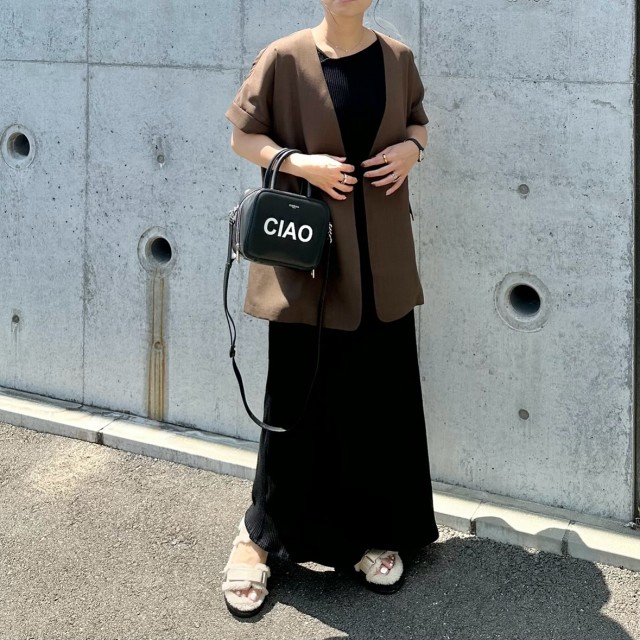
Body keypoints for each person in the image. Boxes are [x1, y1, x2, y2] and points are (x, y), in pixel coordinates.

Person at [221, 0, 439, 618]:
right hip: (311, 261)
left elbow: (418, 125)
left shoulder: (397, 60)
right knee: (295, 397)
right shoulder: (284, 57)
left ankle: (368, 533)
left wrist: (412, 150)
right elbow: (242, 136)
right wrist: (298, 163)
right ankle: (259, 536)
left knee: (375, 397)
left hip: (382, 261)